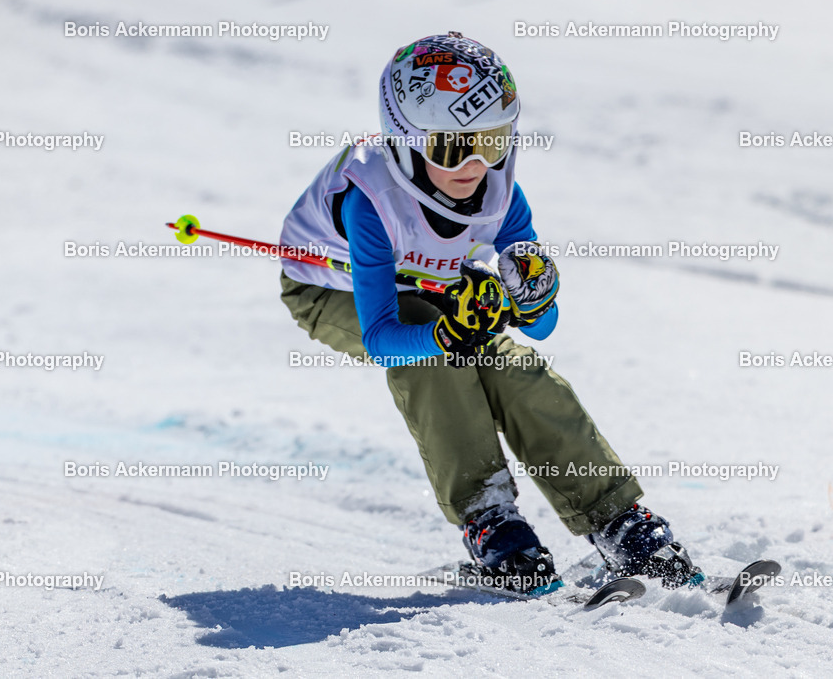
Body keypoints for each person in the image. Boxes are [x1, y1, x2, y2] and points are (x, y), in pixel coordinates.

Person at [278, 32, 700, 594]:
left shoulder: (503, 196)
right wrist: (447, 334)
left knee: (517, 370)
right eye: (454, 149)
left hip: (435, 288)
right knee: (436, 359)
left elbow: (542, 327)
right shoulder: (371, 203)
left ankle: (617, 520)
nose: (476, 165)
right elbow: (381, 336)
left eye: (493, 140)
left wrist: (535, 297)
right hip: (330, 288)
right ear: (405, 143)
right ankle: (490, 518)